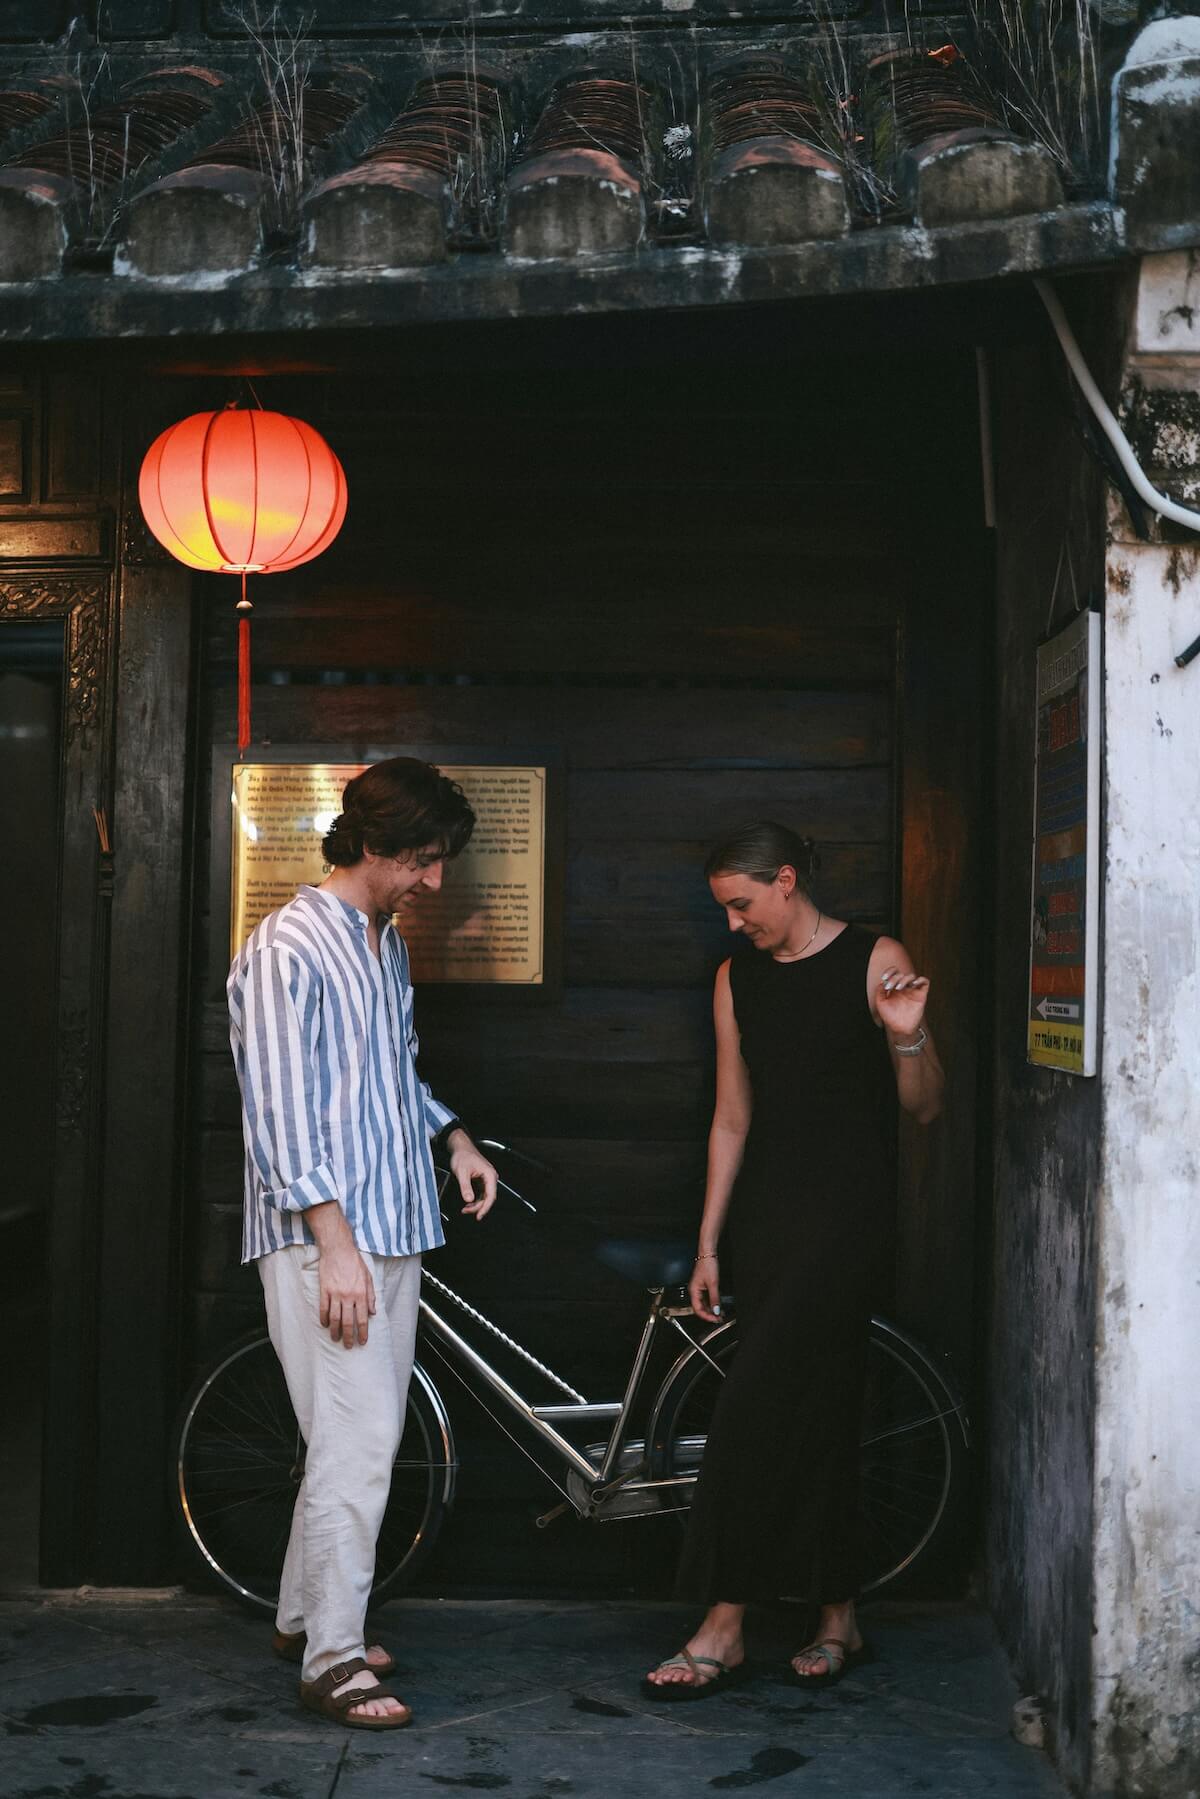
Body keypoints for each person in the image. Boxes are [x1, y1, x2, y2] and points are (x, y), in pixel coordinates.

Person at [228, 757, 498, 1732]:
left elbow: (392, 1074)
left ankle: (305, 1616)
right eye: (424, 860)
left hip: (394, 1223)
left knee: (346, 1439)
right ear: (375, 847)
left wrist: (454, 1136)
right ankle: (334, 1661)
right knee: (363, 1440)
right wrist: (333, 1246)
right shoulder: (285, 946)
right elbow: (280, 1119)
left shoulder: (382, 942)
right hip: (326, 1240)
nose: (436, 880)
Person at [644, 821, 943, 1699]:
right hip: (769, 1221)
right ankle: (838, 1613)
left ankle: (724, 1622)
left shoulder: (872, 955)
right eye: (725, 912)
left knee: (754, 1404)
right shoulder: (736, 980)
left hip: (846, 1218)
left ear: (784, 880)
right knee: (821, 1408)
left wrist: (908, 1032)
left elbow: (925, 1108)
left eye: (742, 905)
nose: (735, 925)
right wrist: (707, 1241)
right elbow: (731, 1117)